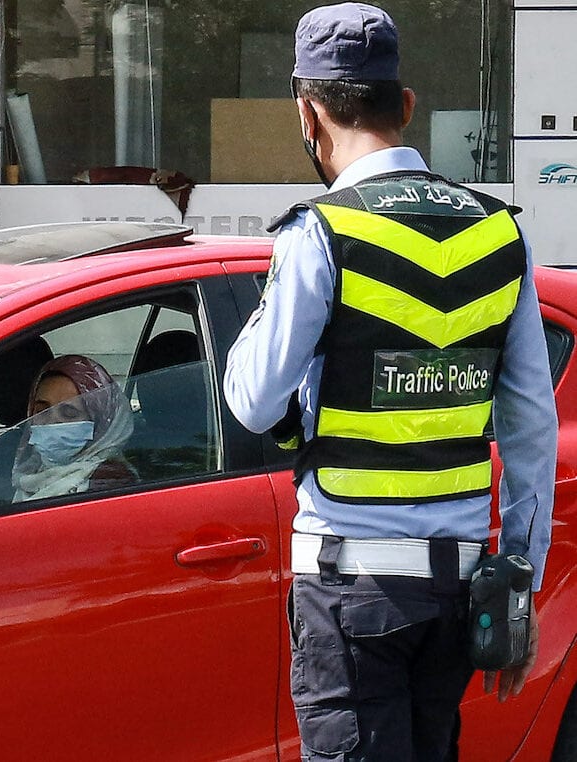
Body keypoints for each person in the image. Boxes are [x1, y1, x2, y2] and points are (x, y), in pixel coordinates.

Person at [222, 4, 557, 760]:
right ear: (405, 106)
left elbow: (250, 404)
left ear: (306, 114)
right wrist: (518, 585)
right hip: (460, 593)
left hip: (350, 592)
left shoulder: (321, 233)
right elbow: (530, 422)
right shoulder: (498, 231)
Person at [13, 354, 135, 501]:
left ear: (101, 425)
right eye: (42, 411)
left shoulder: (110, 484)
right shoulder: (31, 473)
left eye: (69, 413)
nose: (52, 421)